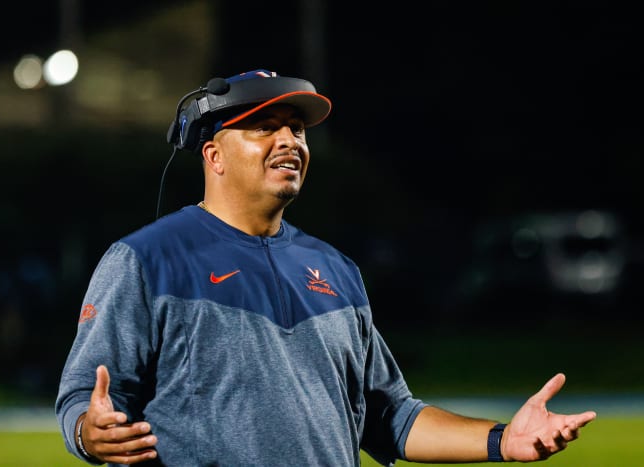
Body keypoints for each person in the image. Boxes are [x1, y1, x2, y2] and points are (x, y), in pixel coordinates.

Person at [55, 69, 596, 466]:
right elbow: (84, 397)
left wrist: (504, 440)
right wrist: (89, 432)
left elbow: (392, 419)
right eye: (265, 127)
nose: (290, 140)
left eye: (297, 129)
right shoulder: (146, 259)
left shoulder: (335, 269)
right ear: (213, 155)